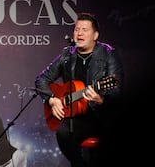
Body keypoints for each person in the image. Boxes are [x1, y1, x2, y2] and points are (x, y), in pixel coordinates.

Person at [35, 12, 124, 167]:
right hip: (77, 117)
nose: (79, 33)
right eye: (77, 29)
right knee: (63, 132)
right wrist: (51, 100)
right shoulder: (67, 55)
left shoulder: (108, 54)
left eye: (85, 29)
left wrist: (102, 99)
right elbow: (41, 79)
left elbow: (116, 90)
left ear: (95, 35)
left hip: (102, 117)